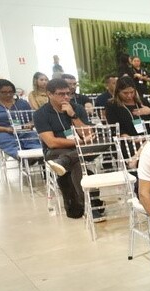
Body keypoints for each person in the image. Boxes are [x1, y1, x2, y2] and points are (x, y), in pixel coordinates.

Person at [33, 78, 97, 219]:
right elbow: (51, 143)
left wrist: (73, 116)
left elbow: (88, 135)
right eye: (61, 94)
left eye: (68, 93)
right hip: (55, 153)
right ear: (49, 94)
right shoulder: (40, 114)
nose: (66, 97)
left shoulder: (77, 108)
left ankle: (65, 161)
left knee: (105, 142)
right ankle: (90, 204)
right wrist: (78, 142)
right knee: (77, 163)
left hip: (79, 150)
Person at [0, 79, 41, 158]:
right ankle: (21, 157)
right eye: (4, 92)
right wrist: (7, 129)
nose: (8, 94)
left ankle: (37, 155)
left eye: (11, 92)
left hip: (23, 130)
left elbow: (33, 119)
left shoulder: (22, 103)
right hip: (2, 132)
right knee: (5, 141)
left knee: (32, 137)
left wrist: (28, 125)